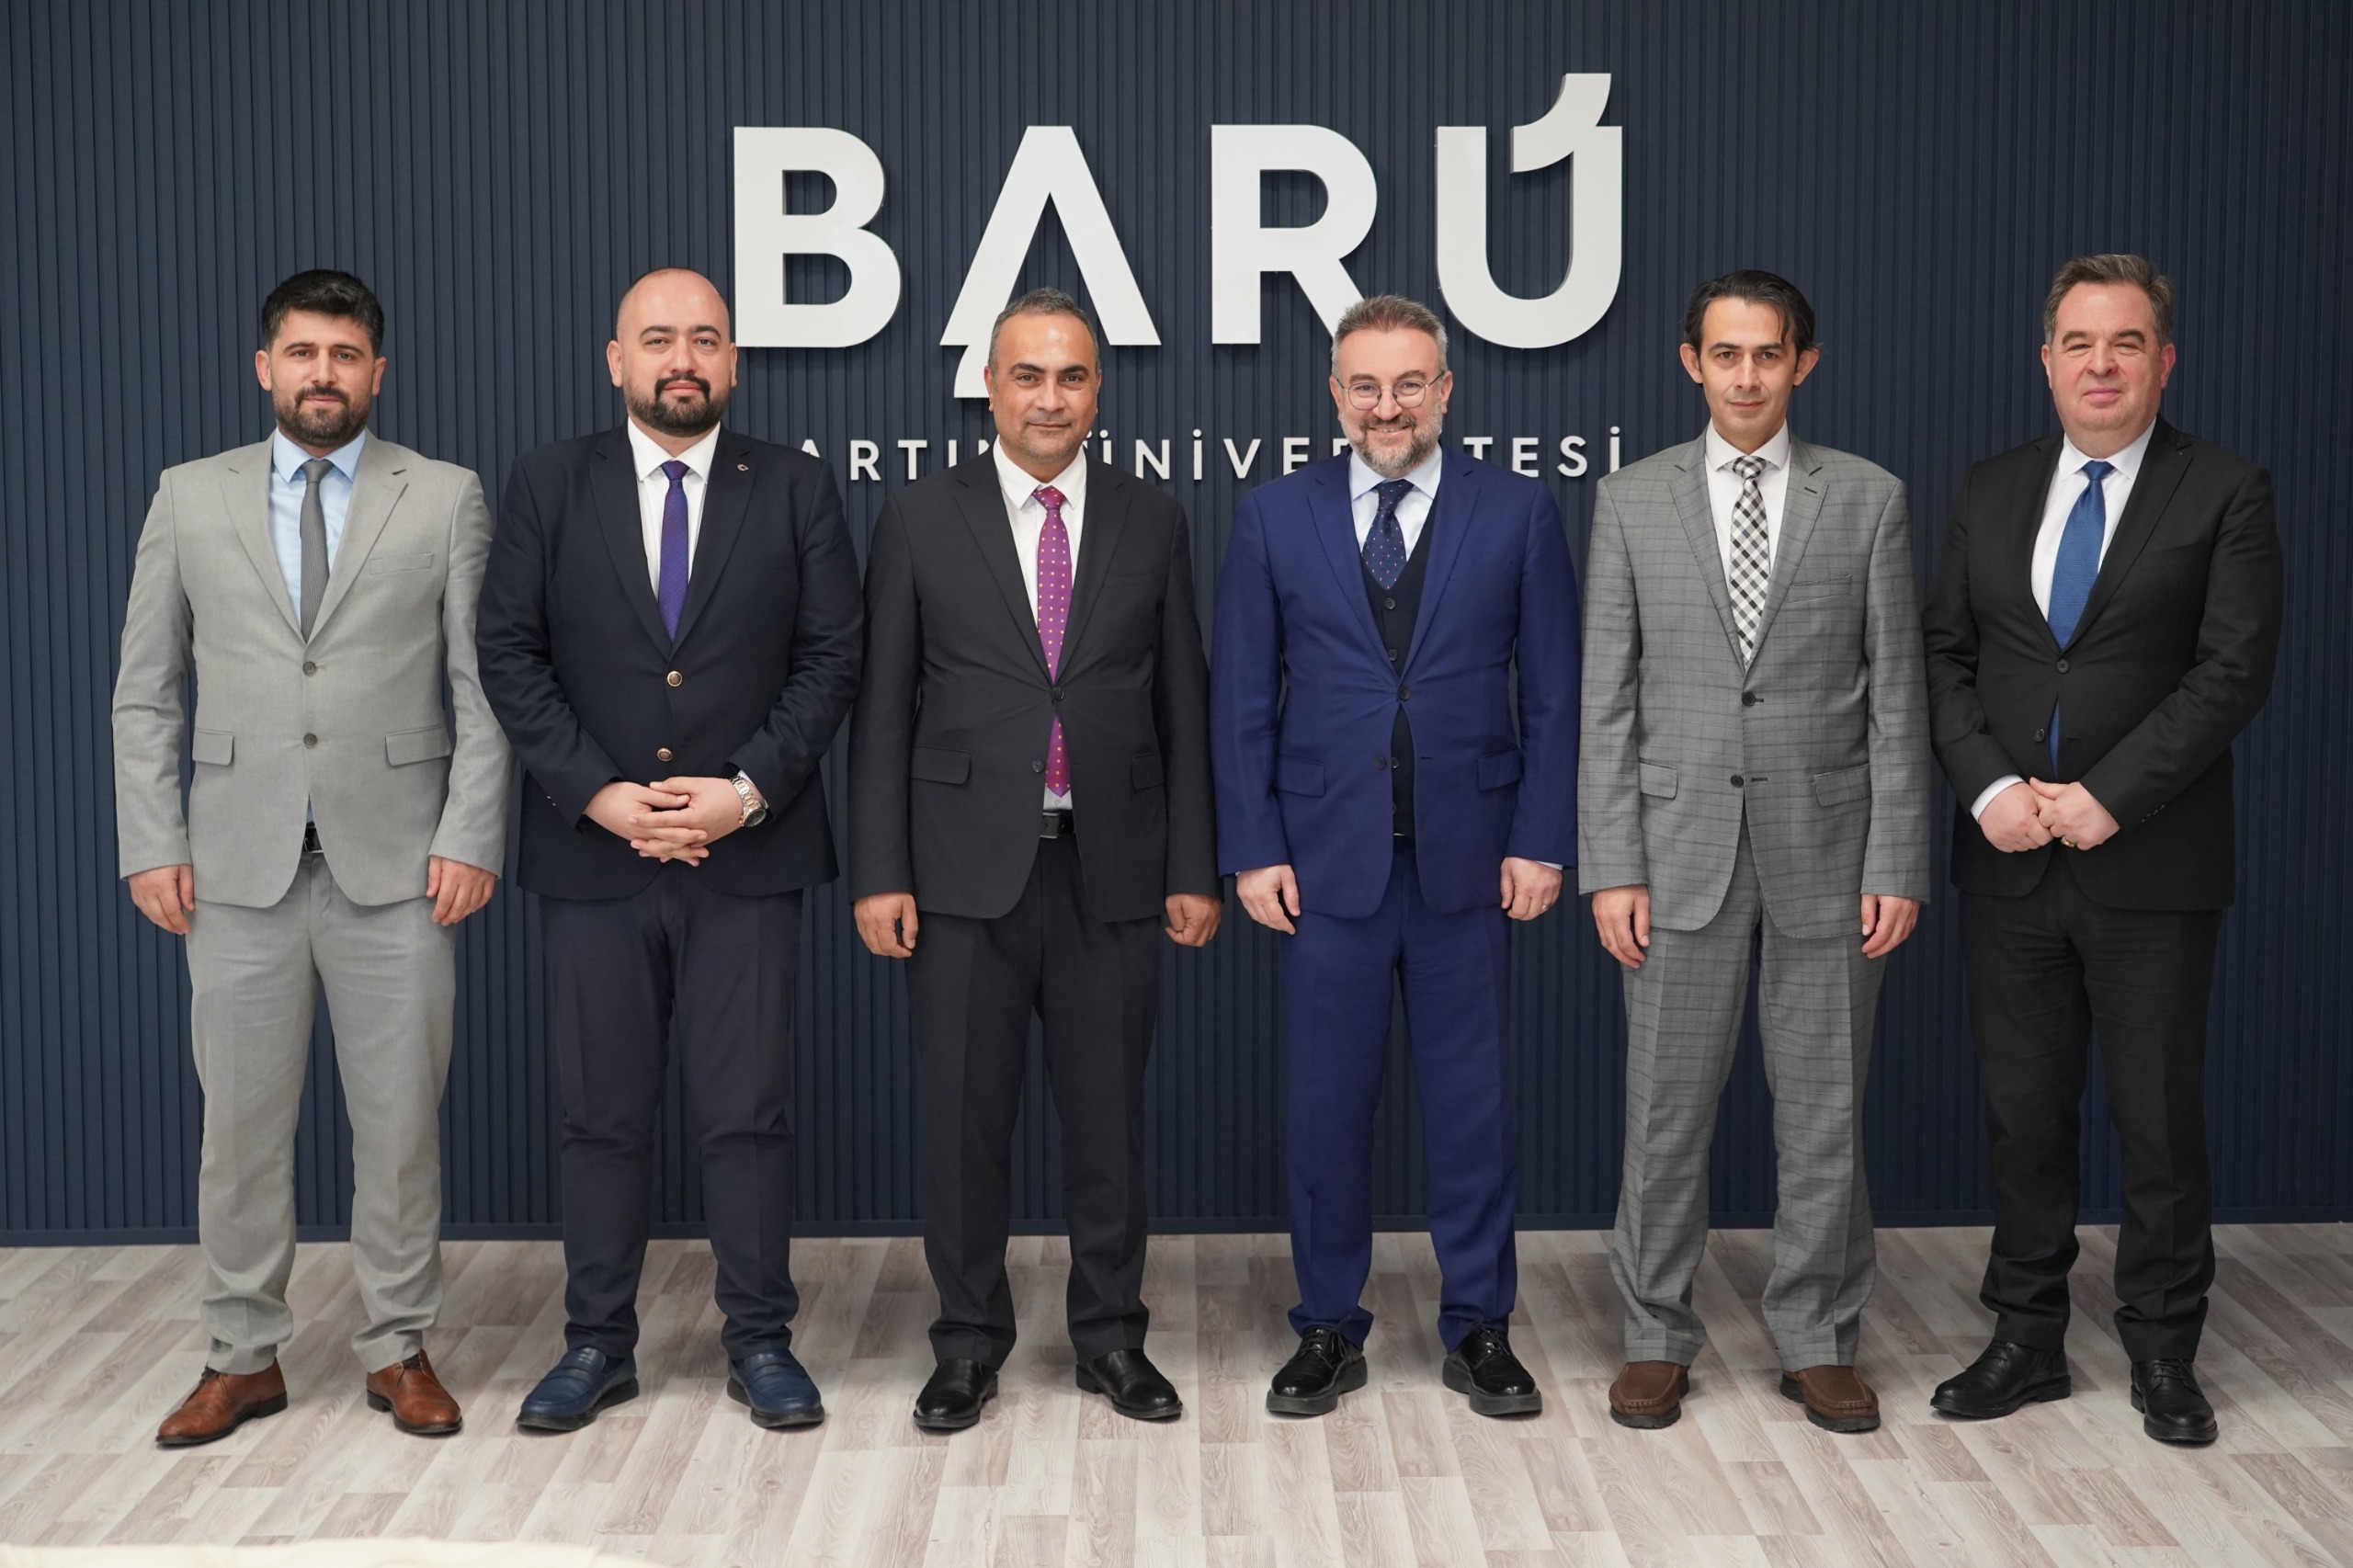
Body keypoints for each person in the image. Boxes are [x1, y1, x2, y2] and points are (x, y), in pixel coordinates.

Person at [114, 268, 510, 1445]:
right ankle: (241, 1355)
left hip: (400, 866)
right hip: (235, 865)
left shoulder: (443, 497)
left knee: (399, 1127)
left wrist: (468, 832)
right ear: (264, 367)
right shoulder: (189, 496)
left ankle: (398, 1345)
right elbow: (145, 692)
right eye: (301, 353)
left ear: (377, 372)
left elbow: (482, 688)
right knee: (237, 1132)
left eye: (343, 355)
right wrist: (152, 838)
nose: (321, 374)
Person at [475, 267, 862, 1432]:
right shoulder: (549, 482)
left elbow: (831, 657)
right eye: (657, 339)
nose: (680, 358)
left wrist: (744, 791)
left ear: (734, 360)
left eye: (703, 338)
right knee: (600, 1115)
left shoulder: (793, 485)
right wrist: (598, 793)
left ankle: (759, 1338)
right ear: (617, 360)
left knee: (747, 1111)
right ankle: (597, 1341)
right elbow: (508, 651)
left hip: (748, 854)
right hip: (594, 858)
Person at [1923, 254, 2281, 1445]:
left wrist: (2106, 797)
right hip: (2009, 858)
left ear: (2163, 360)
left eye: (2125, 342)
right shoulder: (1990, 489)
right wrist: (1988, 789)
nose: (2101, 364)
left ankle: (2164, 1349)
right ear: (2046, 361)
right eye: (2078, 342)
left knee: (2158, 1121)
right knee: (2023, 1115)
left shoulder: (2224, 489)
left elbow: (2232, 670)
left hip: (2150, 863)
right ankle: (2025, 1336)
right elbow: (1943, 656)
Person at [849, 288, 1219, 1432]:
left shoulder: (1154, 518)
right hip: (960, 874)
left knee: (1109, 1124)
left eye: (1070, 376)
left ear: (1098, 390)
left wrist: (1192, 865)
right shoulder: (920, 516)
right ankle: (966, 1342)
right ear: (989, 386)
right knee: (965, 1125)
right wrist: (879, 868)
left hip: (1113, 867)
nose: (1048, 397)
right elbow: (883, 708)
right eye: (1027, 374)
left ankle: (1110, 1336)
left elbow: (1184, 705)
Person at [1211, 293, 1580, 1420]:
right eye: (1365, 385)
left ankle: (1479, 1324)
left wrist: (1542, 837)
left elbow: (1554, 695)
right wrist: (1252, 847)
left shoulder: (1517, 510)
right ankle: (1327, 1322)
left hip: (1471, 861)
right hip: (1325, 866)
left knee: (1472, 1110)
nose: (1387, 405)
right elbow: (1241, 698)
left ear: (1444, 390)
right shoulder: (1273, 515)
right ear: (1335, 394)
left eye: (1409, 383)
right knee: (1326, 1109)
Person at [1579, 270, 1930, 1435]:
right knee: (1662, 1115)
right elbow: (1606, 700)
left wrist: (1897, 858)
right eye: (1724, 354)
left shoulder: (1868, 498)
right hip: (1674, 851)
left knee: (1825, 1114)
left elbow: (1897, 696)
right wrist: (1611, 862)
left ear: (1801, 363)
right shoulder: (1630, 500)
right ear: (1691, 363)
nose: (1744, 376)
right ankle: (1653, 1331)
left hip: (1830, 854)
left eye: (1766, 354)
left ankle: (1818, 1335)